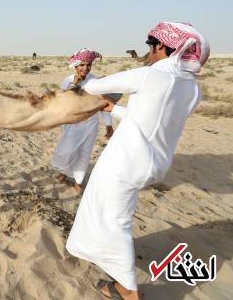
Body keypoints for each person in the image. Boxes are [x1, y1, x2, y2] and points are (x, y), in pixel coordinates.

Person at [65, 22, 209, 299]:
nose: (150, 53)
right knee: (107, 208)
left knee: (113, 218)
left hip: (126, 161)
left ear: (163, 47)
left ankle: (127, 289)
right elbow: (153, 121)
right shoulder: (193, 89)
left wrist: (83, 73)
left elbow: (94, 86)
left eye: (151, 46)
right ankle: (105, 259)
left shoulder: (148, 76)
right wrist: (115, 109)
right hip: (154, 163)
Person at [51, 48, 113, 194]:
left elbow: (103, 104)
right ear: (76, 66)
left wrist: (109, 125)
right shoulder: (67, 81)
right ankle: (64, 173)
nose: (86, 68)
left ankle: (79, 181)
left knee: (84, 153)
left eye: (89, 65)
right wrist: (75, 84)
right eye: (82, 65)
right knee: (67, 150)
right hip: (72, 124)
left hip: (90, 124)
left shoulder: (96, 82)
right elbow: (63, 101)